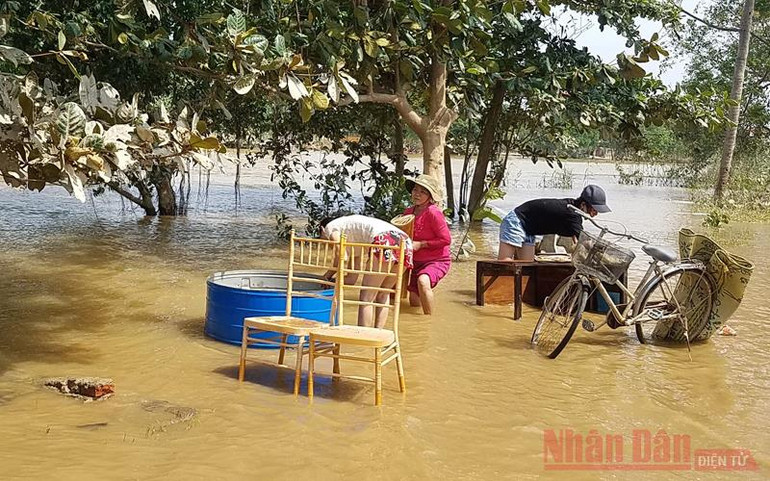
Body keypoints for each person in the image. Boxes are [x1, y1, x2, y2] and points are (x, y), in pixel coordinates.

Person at [319, 214, 413, 328]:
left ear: (322, 229)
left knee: (366, 296)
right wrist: (331, 282)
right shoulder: (355, 241)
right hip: (405, 242)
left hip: (385, 239)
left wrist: (326, 276)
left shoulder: (331, 227)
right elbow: (352, 279)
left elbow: (341, 257)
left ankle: (363, 335)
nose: (326, 243)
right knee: (383, 292)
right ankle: (378, 333)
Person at [498, 184, 611, 261]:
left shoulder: (573, 210)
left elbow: (577, 240)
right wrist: (604, 256)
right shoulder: (572, 214)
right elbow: (585, 242)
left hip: (529, 229)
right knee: (505, 263)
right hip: (517, 221)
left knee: (526, 266)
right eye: (594, 210)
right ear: (583, 205)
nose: (595, 214)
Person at [402, 174, 452, 315]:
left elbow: (446, 240)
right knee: (413, 302)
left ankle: (428, 320)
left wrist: (421, 244)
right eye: (415, 190)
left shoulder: (433, 213)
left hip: (437, 260)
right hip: (415, 262)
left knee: (423, 281)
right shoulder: (407, 213)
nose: (417, 194)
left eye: (423, 192)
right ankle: (419, 329)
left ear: (430, 196)